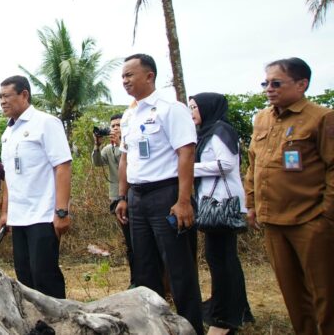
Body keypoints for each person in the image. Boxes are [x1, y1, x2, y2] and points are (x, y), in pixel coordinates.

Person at [113, 54, 203, 335]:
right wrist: (123, 197)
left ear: (149, 76)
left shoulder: (171, 109)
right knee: (145, 268)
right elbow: (125, 160)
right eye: (123, 77)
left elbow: (186, 154)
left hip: (167, 194)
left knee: (179, 268)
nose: (125, 81)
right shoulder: (129, 114)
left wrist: (184, 201)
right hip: (138, 198)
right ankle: (154, 328)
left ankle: (191, 327)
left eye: (130, 75)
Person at [245, 57, 333, 335]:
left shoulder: (321, 117)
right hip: (273, 221)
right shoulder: (261, 118)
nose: (268, 88)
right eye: (265, 83)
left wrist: (326, 213)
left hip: (310, 220)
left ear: (301, 84)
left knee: (325, 292)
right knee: (292, 293)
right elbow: (253, 164)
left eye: (276, 83)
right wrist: (251, 204)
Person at [0, 76, 72, 299]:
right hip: (18, 218)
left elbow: (63, 166)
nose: (2, 101)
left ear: (24, 95)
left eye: (6, 96)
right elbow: (10, 176)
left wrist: (61, 211)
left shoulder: (46, 123)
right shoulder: (8, 133)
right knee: (25, 278)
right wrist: (5, 212)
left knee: (45, 276)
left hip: (42, 215)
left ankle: (59, 324)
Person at [189, 93, 253, 334]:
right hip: (213, 203)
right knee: (224, 259)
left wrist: (190, 168)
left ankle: (225, 318)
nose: (192, 111)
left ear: (208, 108)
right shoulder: (207, 132)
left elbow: (226, 164)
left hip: (222, 205)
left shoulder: (220, 131)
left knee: (221, 260)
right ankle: (235, 310)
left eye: (195, 107)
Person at [91, 114, 134, 287]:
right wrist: (97, 144)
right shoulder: (109, 149)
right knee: (129, 241)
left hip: (133, 195)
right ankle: (135, 279)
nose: (114, 129)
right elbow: (97, 162)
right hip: (116, 197)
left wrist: (122, 142)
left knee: (138, 241)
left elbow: (128, 161)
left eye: (118, 125)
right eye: (112, 126)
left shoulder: (131, 145)